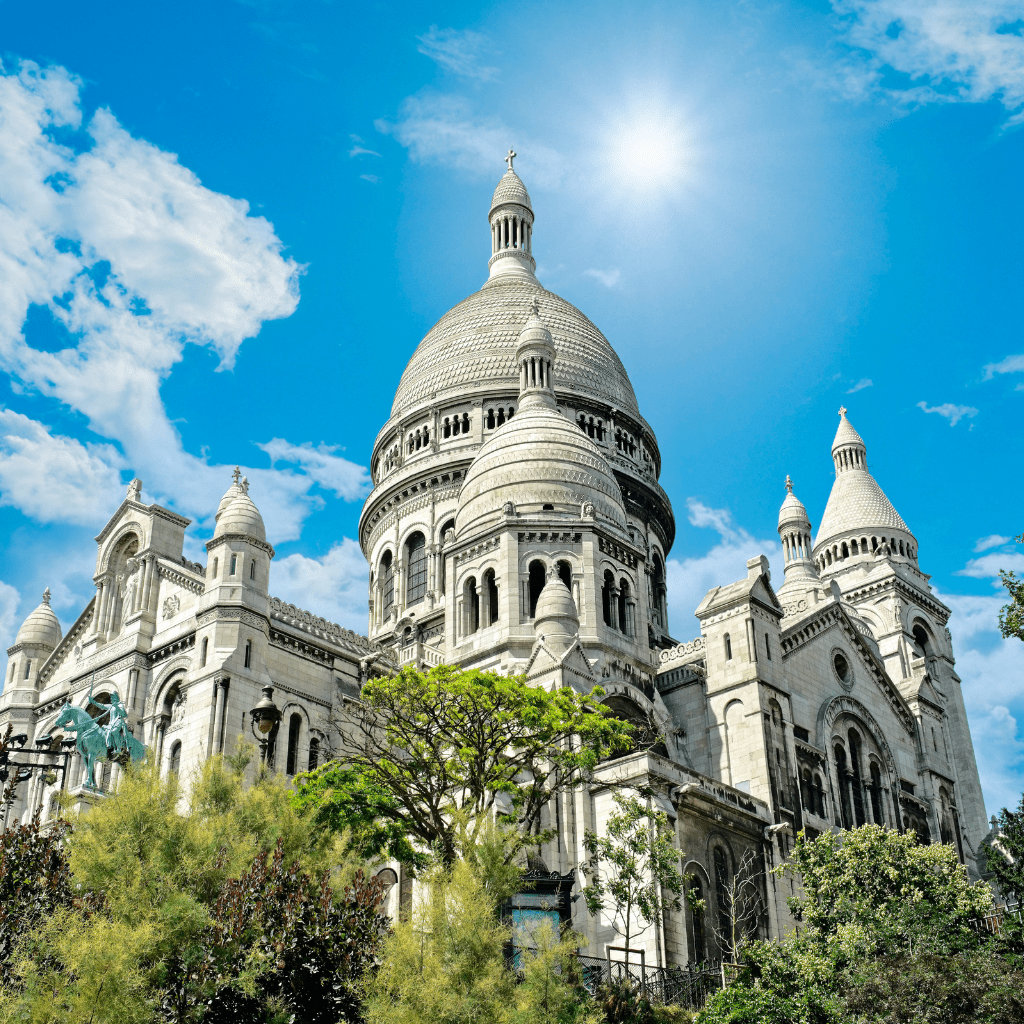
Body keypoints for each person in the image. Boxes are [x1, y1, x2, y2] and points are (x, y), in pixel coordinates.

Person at [87, 680, 131, 755]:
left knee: (113, 732)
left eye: (112, 697)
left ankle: (119, 748)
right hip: (111, 723)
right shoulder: (110, 706)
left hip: (118, 721)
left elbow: (124, 714)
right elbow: (102, 706)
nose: (111, 699)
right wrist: (93, 702)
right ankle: (107, 748)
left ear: (116, 698)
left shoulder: (120, 705)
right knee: (102, 732)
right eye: (111, 698)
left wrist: (117, 707)